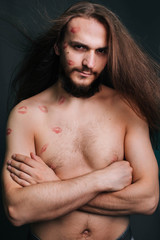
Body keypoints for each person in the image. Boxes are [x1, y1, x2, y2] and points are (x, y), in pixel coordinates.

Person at [2, 1, 160, 240]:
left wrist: (53, 185)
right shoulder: (27, 114)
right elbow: (17, 210)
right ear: (58, 46)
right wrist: (101, 179)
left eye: (101, 51)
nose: (90, 63)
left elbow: (148, 199)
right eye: (79, 47)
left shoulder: (128, 108)